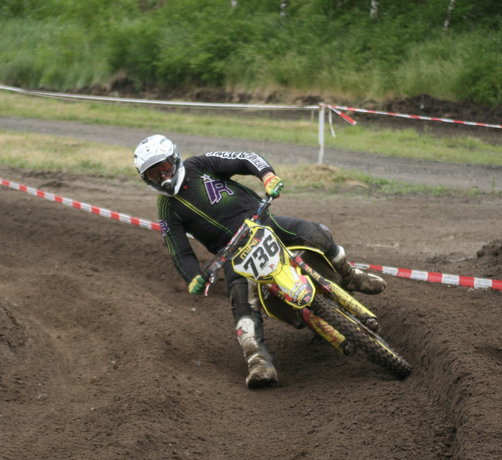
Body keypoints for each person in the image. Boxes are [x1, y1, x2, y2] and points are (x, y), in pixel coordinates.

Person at [134, 134, 386, 388]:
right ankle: (258, 361)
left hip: (261, 221)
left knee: (315, 232)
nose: (162, 177)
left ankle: (350, 275)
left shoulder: (199, 164)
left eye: (164, 167)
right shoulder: (166, 209)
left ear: (174, 158)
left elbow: (245, 159)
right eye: (153, 174)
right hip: (231, 253)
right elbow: (179, 250)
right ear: (146, 178)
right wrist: (193, 276)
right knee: (242, 303)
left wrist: (267, 176)